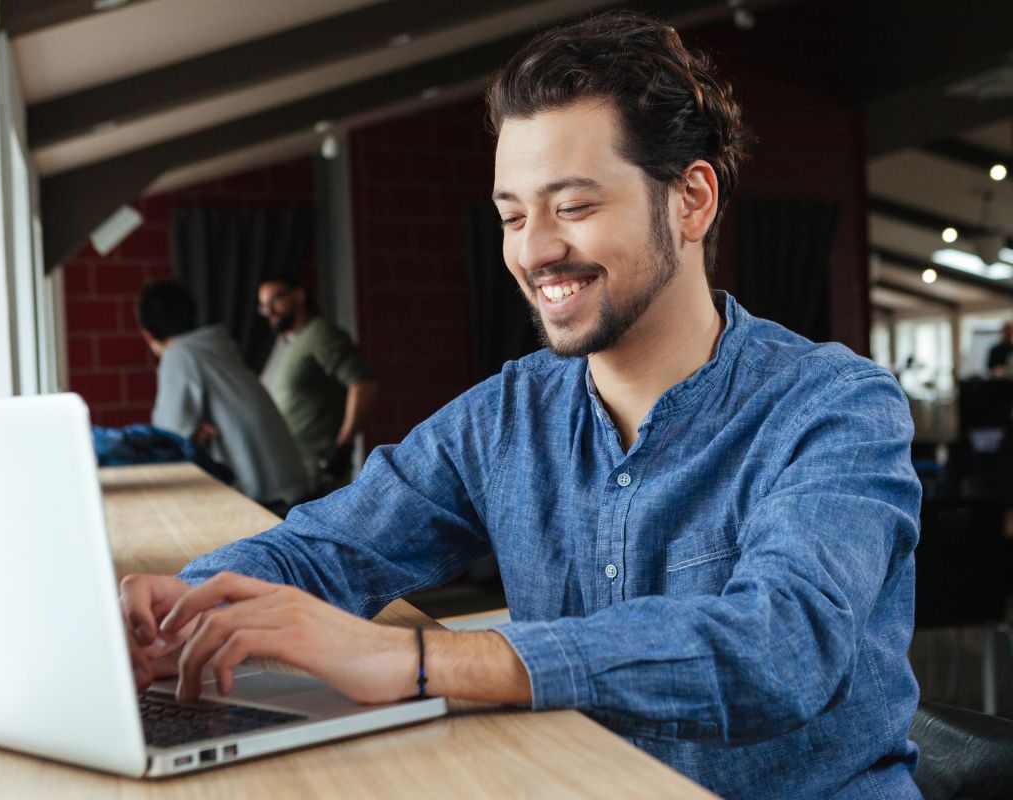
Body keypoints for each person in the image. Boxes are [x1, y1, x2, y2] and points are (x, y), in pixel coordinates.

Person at [121, 13, 921, 798]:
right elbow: (325, 550)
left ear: (691, 201)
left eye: (573, 207)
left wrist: (421, 662)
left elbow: (780, 650)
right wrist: (186, 611)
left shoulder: (834, 407)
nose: (534, 250)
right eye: (511, 216)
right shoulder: (506, 417)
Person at [137, 280, 308, 510]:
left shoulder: (179, 354)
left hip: (267, 501)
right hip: (291, 485)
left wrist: (192, 438)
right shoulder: (216, 345)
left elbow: (168, 442)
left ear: (148, 335)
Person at [256, 276, 378, 491]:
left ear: (299, 296)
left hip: (319, 471)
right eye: (264, 306)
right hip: (290, 468)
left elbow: (363, 385)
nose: (269, 311)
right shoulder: (285, 342)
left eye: (275, 300)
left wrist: (342, 445)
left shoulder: (321, 334)